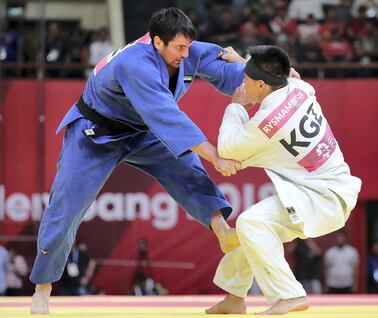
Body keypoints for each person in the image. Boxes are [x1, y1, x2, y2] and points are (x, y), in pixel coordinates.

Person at [29, 7, 247, 314]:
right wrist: (214, 155)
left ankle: (222, 230)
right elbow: (167, 116)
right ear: (158, 42)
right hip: (96, 133)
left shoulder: (187, 50)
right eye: (179, 48)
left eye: (188, 47)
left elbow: (235, 73)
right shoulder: (136, 63)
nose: (186, 55)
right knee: (66, 204)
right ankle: (43, 287)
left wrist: (276, 77)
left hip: (142, 132)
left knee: (186, 168)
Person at [205, 45, 361, 315]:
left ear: (262, 85)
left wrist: (236, 108)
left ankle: (289, 295)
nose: (242, 82)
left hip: (321, 200)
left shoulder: (268, 125)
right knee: (254, 232)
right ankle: (234, 297)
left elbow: (227, 148)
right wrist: (244, 61)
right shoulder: (300, 89)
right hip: (326, 191)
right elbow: (283, 76)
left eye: (246, 79)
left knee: (251, 222)